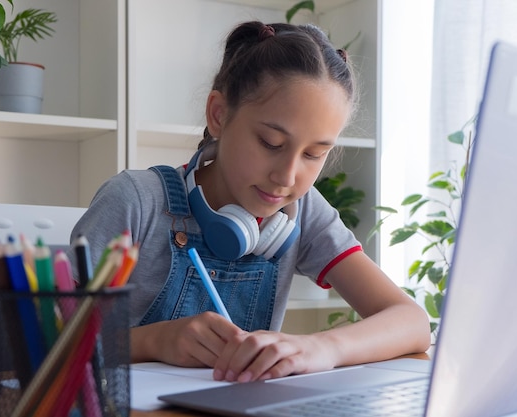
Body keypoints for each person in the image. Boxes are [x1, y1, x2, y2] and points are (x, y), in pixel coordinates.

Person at [69, 20, 430, 384]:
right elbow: (45, 343)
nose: (287, 177)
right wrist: (153, 341)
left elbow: (412, 322)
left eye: (314, 154)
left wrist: (324, 348)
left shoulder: (301, 211)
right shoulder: (136, 200)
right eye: (271, 143)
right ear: (219, 115)